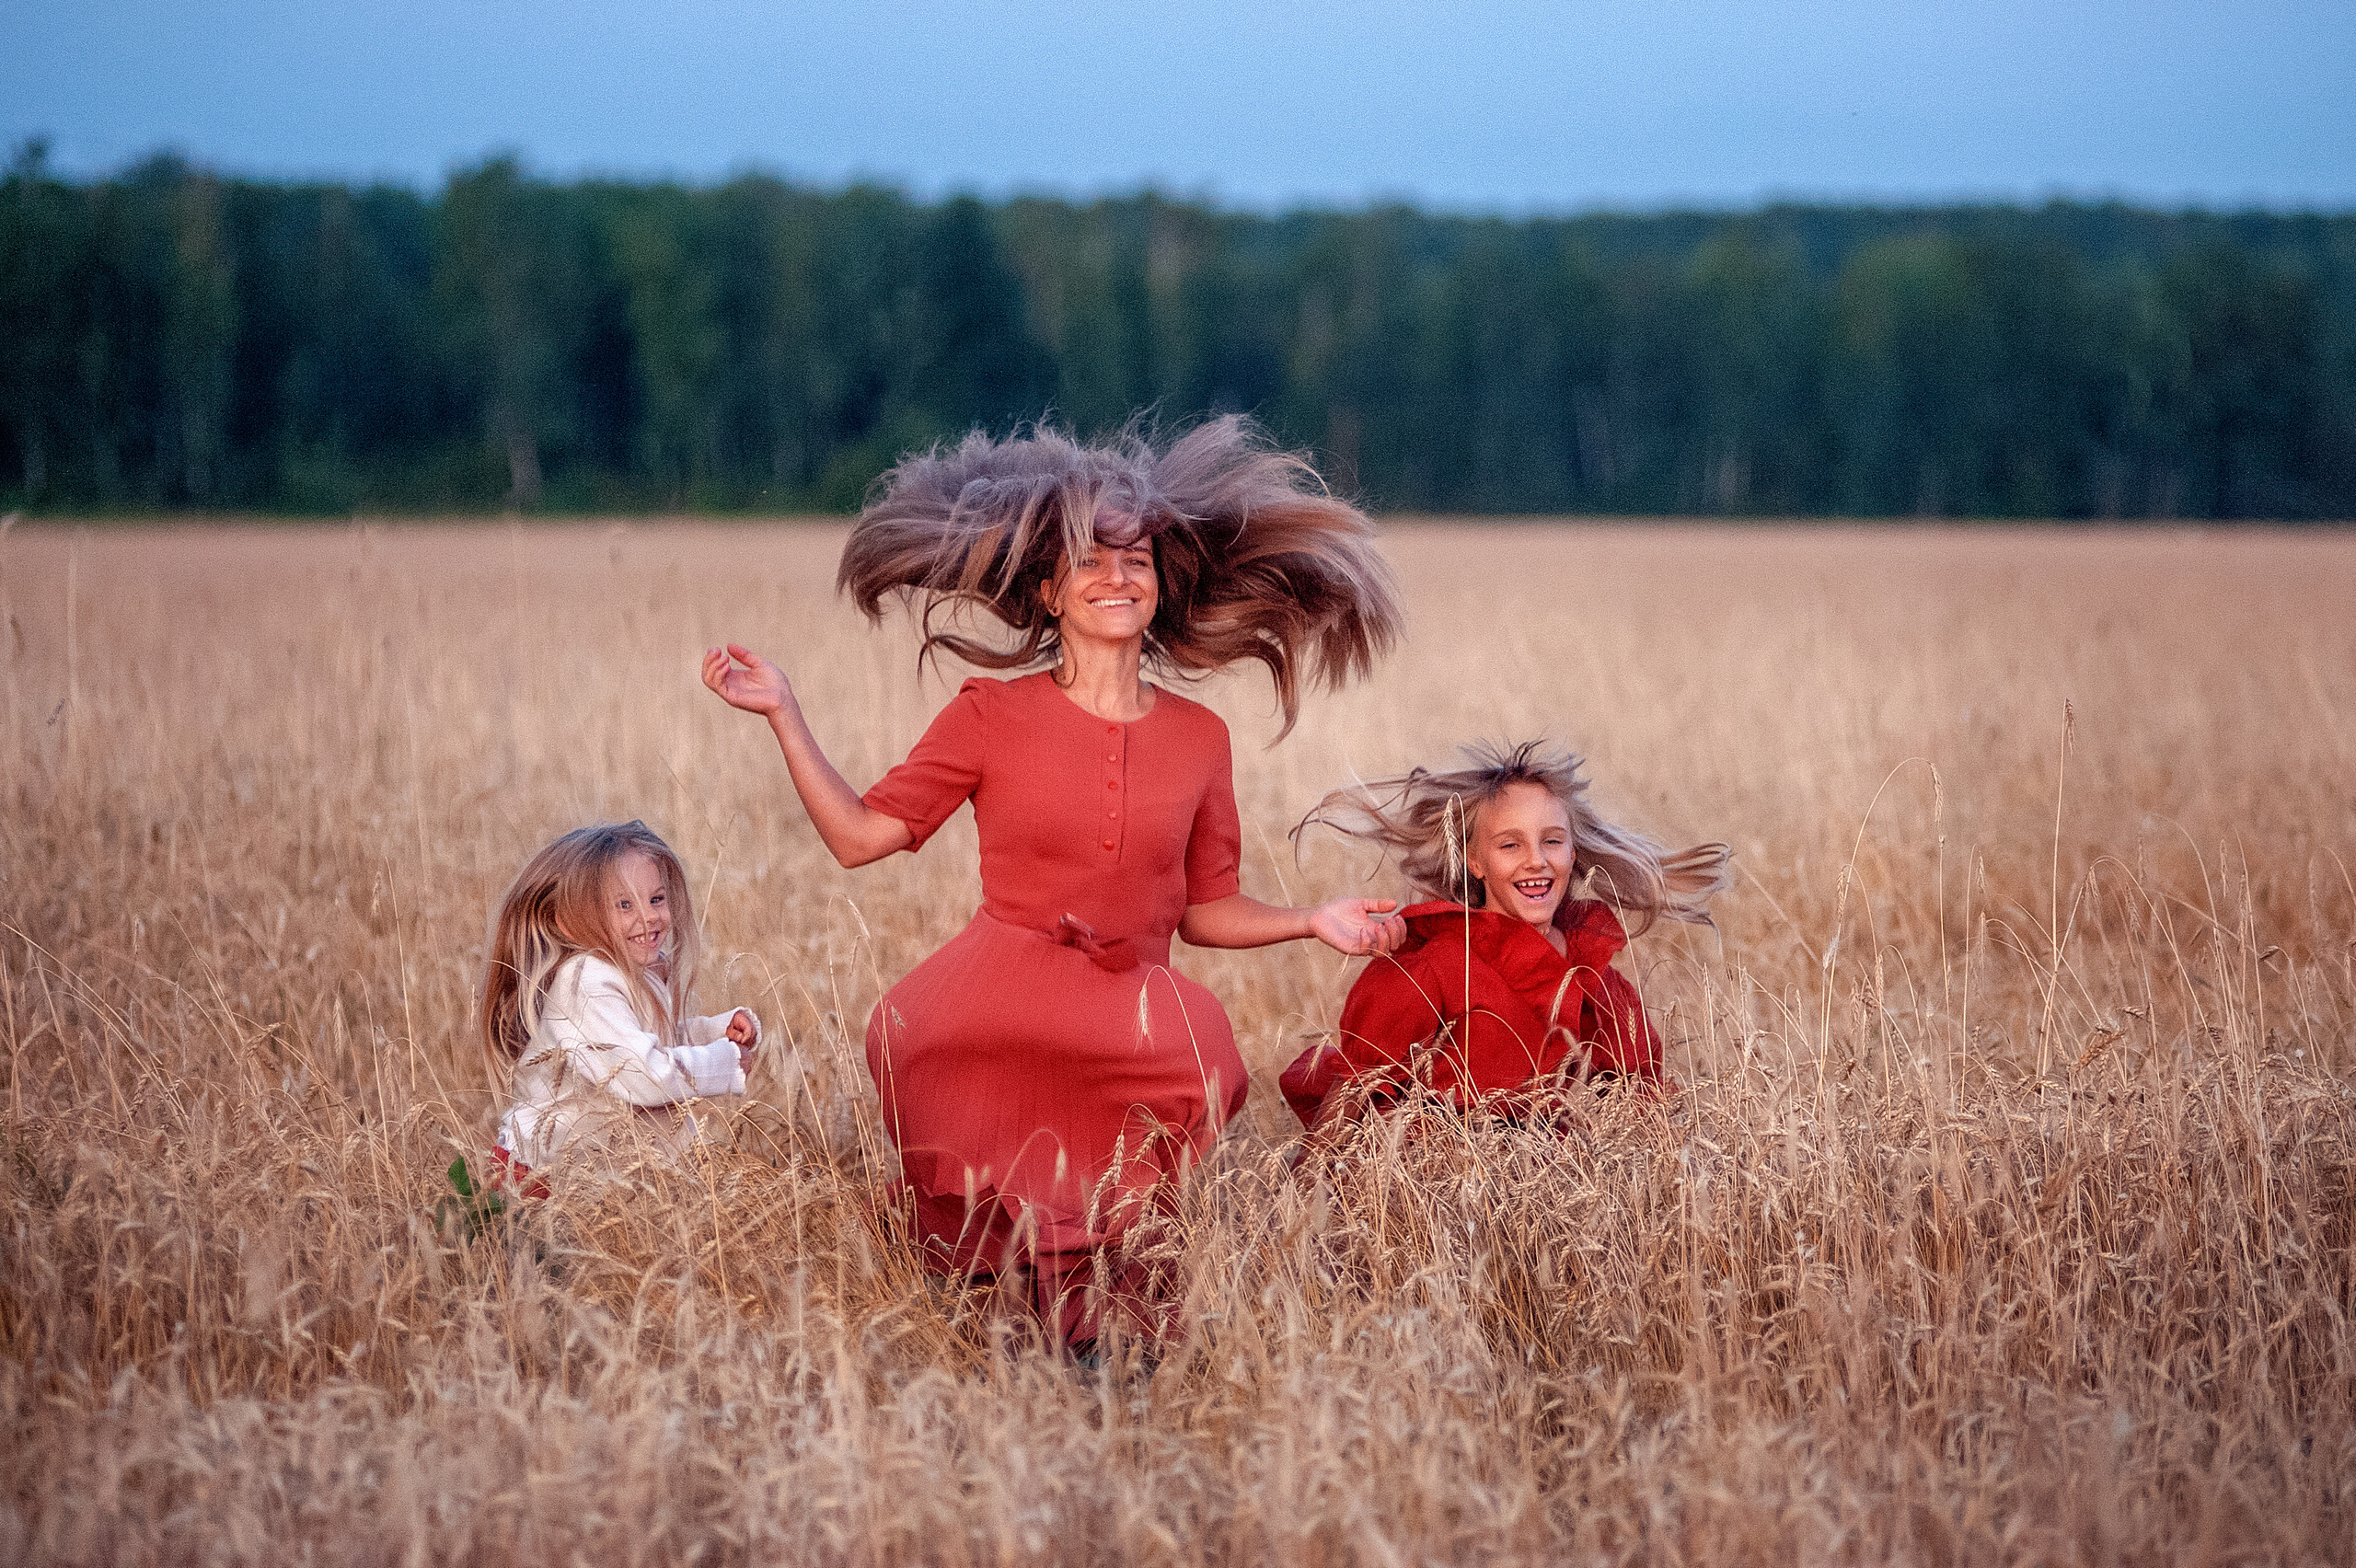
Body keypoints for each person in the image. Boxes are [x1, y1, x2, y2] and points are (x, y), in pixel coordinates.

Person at [701, 416, 1406, 1343]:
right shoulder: (989, 714)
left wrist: (1313, 919)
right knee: (923, 1060)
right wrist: (784, 713)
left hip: (1128, 997)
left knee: (1204, 1060)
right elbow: (861, 837)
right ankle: (987, 1305)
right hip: (1000, 983)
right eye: (1089, 561)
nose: (1118, 577)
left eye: (1136, 560)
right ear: (1047, 592)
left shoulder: (1200, 738)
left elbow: (1205, 912)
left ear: (1161, 584)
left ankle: (1101, 1331)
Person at [1279, 741, 1730, 1134]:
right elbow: (1353, 1094)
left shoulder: (1593, 975)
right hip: (1440, 1183)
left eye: (1552, 841)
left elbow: (1643, 1103)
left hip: (1544, 1189)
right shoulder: (1434, 968)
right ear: (1475, 861)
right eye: (1510, 845)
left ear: (1573, 852)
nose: (1536, 860)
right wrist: (1307, 1194)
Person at [480, 821, 764, 1189]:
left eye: (656, 899)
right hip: (542, 1173)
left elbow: (647, 1044)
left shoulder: (630, 969)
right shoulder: (586, 982)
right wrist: (724, 1061)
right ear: (569, 922)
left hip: (591, 1172)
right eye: (625, 904)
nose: (649, 916)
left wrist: (714, 1033)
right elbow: (642, 1076)